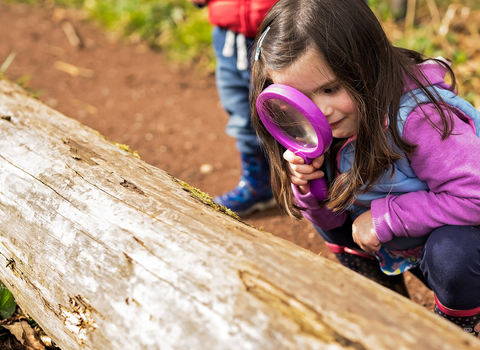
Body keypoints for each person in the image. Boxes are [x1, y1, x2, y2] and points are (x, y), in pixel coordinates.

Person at [250, 0, 480, 337]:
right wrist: (308, 188)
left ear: (368, 62)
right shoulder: (326, 127)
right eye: (300, 99)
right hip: (402, 242)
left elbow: (474, 196)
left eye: (330, 89)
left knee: (452, 254)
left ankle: (456, 329)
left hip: (461, 238)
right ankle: (386, 311)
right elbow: (332, 220)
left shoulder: (419, 118)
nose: (320, 111)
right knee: (332, 208)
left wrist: (387, 217)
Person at [188, 0, 278, 216]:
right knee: (241, 111)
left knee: (292, 112)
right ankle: (258, 185)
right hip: (227, 35)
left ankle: (319, 190)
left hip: (283, 30)